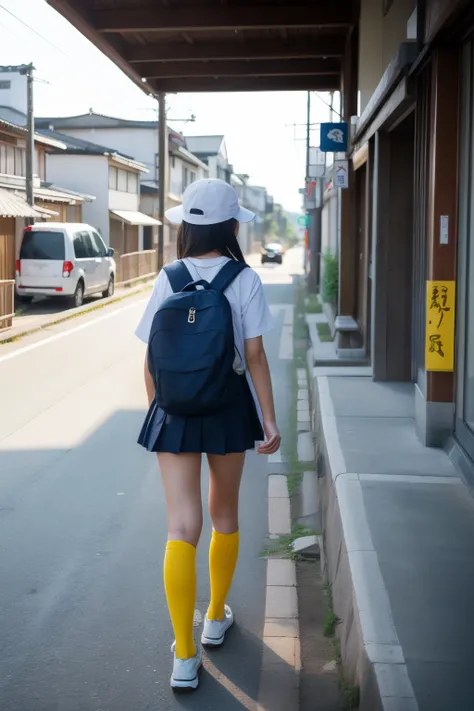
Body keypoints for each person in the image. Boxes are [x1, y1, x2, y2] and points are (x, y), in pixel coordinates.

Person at [135, 178, 281, 690]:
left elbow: (151, 355)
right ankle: (216, 615)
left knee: (181, 526)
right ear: (231, 225)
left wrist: (160, 410)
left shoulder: (167, 277)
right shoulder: (244, 280)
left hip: (174, 411)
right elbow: (256, 356)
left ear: (188, 227)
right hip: (227, 409)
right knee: (223, 514)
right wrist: (269, 418)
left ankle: (183, 652)